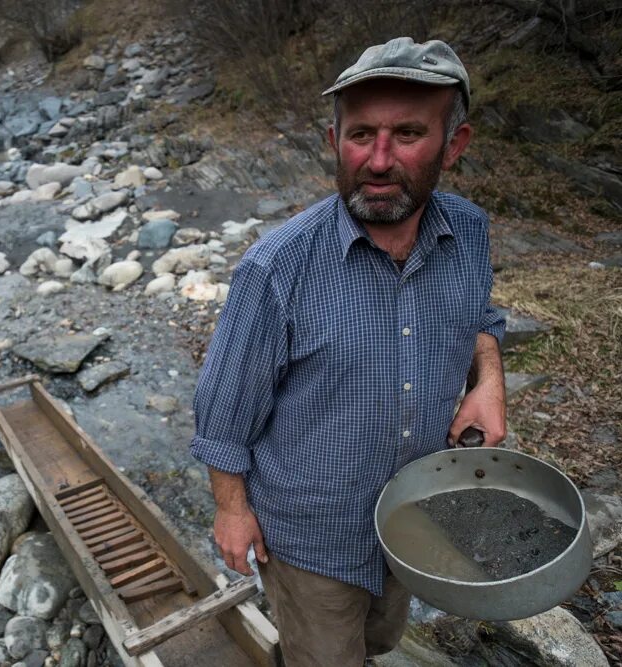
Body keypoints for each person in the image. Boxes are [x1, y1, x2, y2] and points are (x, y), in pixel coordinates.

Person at [190, 37, 506, 666]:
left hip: (416, 514)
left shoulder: (468, 232)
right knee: (324, 655)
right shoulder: (276, 269)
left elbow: (481, 317)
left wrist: (488, 381)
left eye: (409, 133)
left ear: (455, 144)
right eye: (361, 134)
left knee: (381, 638)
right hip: (312, 539)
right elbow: (223, 411)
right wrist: (231, 510)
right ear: (335, 141)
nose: (379, 160)